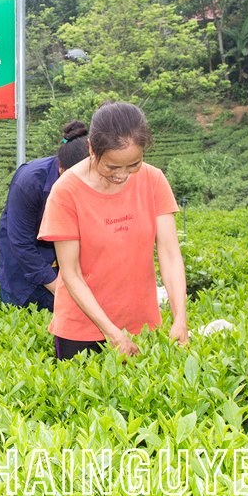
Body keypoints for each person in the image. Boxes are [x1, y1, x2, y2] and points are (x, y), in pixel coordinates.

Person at [38, 102, 188, 358]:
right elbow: (71, 273)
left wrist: (180, 317)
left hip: (142, 325)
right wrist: (111, 331)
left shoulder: (153, 180)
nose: (123, 175)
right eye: (112, 166)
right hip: (81, 330)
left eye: (133, 164)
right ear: (91, 150)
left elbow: (170, 254)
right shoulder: (66, 192)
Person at [0, 120, 90, 311]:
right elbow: (21, 244)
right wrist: (61, 291)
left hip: (65, 274)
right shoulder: (30, 181)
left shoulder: (94, 180)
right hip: (22, 280)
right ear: (61, 167)